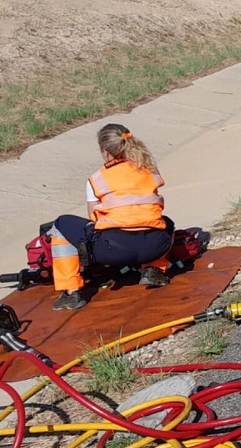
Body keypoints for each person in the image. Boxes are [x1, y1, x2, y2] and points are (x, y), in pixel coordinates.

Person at [47, 124, 174, 311]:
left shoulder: (97, 179)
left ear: (105, 152)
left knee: (61, 224)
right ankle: (153, 269)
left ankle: (71, 291)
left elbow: (93, 218)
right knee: (166, 222)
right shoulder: (148, 169)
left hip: (111, 250)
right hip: (154, 246)